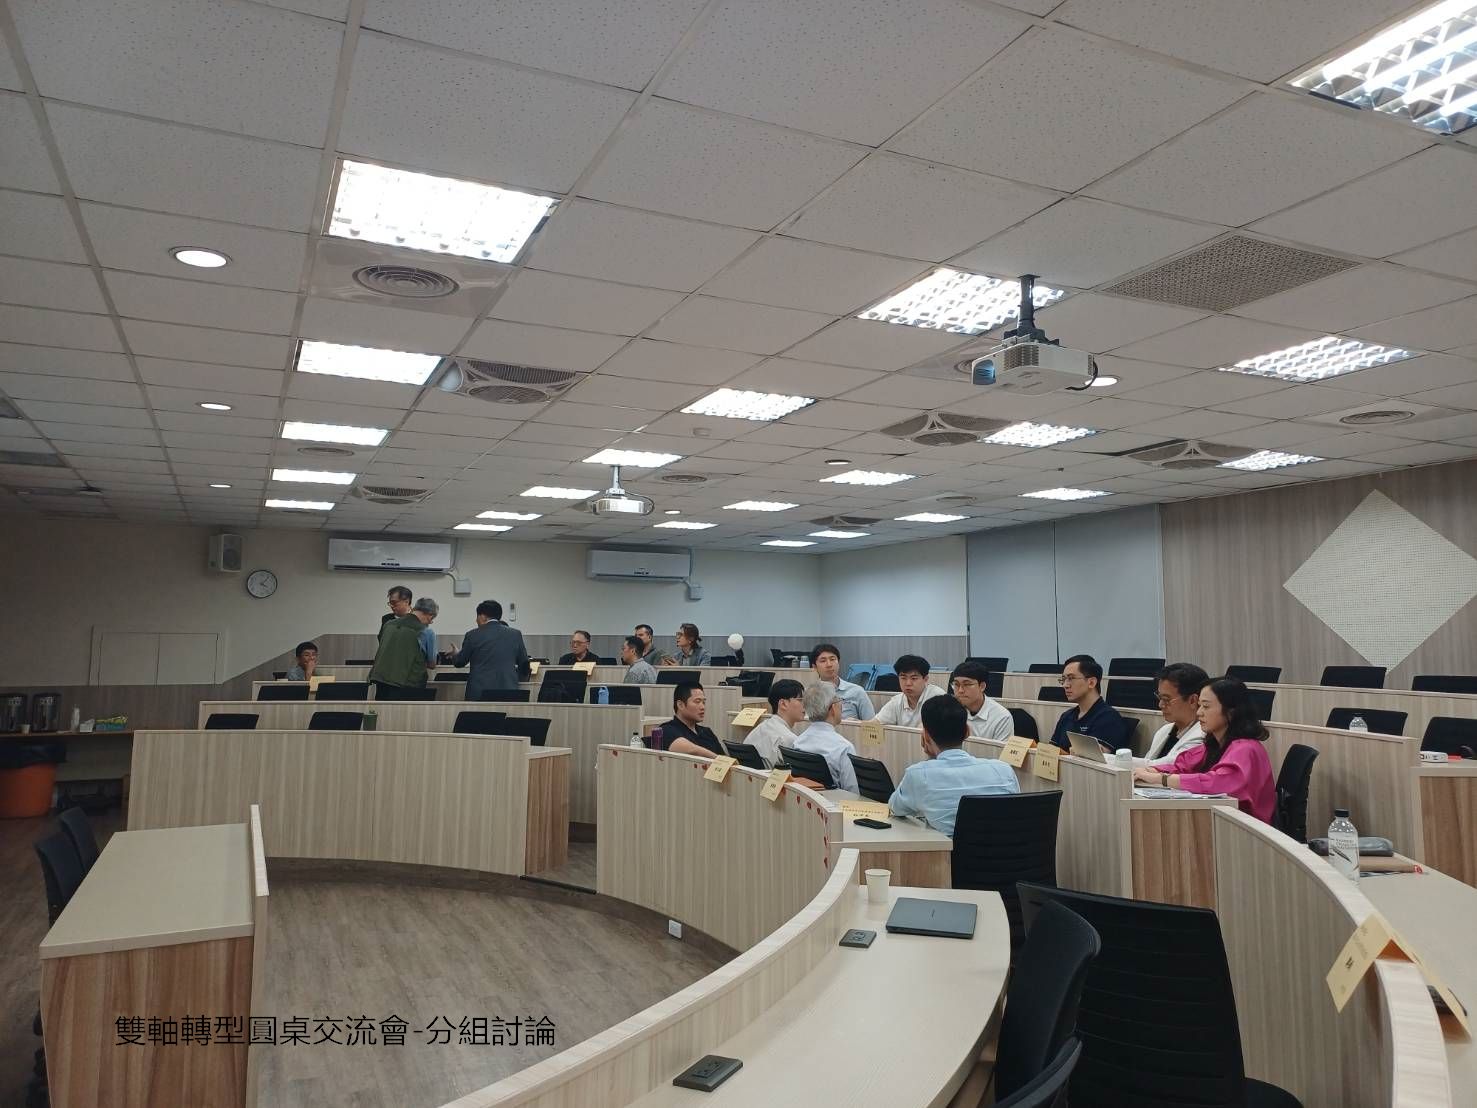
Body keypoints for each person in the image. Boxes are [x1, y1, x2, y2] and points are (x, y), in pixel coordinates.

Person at [1134, 677, 1276, 823]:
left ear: (1231, 711)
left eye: (1206, 707)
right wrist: (1152, 770)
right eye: (1199, 706)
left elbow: (1217, 783)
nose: (1199, 713)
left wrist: (1162, 779)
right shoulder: (1215, 744)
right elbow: (1184, 765)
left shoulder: (1246, 748)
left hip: (1246, 830)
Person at [888, 696, 1020, 837]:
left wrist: (932, 759)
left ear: (925, 736)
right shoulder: (1004, 771)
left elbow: (895, 808)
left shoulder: (919, 775)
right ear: (967, 731)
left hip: (951, 851)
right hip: (1007, 849)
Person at [449, 599, 530, 699]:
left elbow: (460, 662)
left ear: (483, 616)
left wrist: (455, 654)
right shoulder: (515, 634)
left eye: (477, 616)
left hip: (479, 692)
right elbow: (524, 665)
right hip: (508, 691)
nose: (476, 620)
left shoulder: (472, 635)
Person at [1049, 654, 1128, 752]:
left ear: (1091, 683)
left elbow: (1094, 758)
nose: (1065, 685)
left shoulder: (1109, 718)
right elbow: (1051, 752)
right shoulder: (1066, 716)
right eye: (1063, 679)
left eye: (1071, 678)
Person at [791, 682, 859, 793]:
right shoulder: (844, 748)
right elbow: (853, 793)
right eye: (839, 700)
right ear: (833, 708)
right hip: (835, 803)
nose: (841, 704)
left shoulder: (797, 743)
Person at [1139, 662, 1209, 765]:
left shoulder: (1203, 736)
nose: (1160, 704)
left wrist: (1115, 760)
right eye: (1160, 697)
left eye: (1166, 699)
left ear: (1192, 701)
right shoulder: (1164, 730)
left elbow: (1164, 767)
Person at [369, 597, 438, 696]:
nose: (430, 622)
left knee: (383, 706)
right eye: (432, 619)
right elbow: (432, 664)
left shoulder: (388, 625)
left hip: (381, 680)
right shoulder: (426, 632)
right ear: (430, 615)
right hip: (408, 684)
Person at [949, 660, 1014, 742]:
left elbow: (1000, 750)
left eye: (967, 684)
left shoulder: (1002, 717)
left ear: (982, 686)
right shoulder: (950, 710)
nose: (960, 690)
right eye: (956, 684)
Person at [745, 678, 805, 766]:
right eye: (800, 700)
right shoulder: (789, 740)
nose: (805, 704)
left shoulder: (759, 729)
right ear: (783, 704)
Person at [875, 654, 945, 728]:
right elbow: (874, 723)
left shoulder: (938, 697)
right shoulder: (896, 701)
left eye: (914, 678)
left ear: (925, 679)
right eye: (903, 678)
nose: (908, 683)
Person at [811, 642, 874, 721]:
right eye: (823, 661)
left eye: (832, 659)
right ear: (814, 667)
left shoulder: (857, 691)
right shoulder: (810, 694)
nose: (829, 664)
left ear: (838, 662)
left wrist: (857, 724)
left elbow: (872, 724)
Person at [660, 683, 722, 757]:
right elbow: (692, 751)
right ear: (680, 705)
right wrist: (718, 760)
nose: (703, 707)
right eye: (697, 702)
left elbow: (724, 756)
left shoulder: (707, 732)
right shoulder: (666, 730)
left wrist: (725, 761)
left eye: (704, 702)